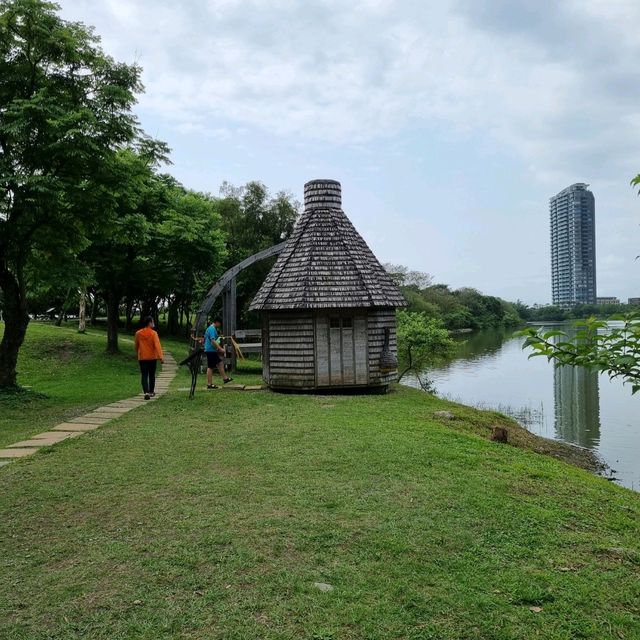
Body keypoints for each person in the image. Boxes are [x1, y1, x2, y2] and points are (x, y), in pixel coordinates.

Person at [134, 316, 164, 400]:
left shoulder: (138, 333)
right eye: (153, 322)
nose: (153, 323)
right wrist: (161, 357)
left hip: (142, 357)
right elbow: (157, 345)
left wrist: (138, 353)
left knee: (144, 375)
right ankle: (151, 391)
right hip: (152, 358)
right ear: (149, 323)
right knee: (151, 375)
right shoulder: (153, 333)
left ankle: (146, 392)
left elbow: (136, 345)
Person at [204, 317, 232, 389]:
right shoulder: (212, 329)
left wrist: (217, 348)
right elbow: (213, 341)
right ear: (217, 322)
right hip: (210, 350)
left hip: (212, 350)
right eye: (219, 323)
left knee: (220, 363)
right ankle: (209, 384)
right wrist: (220, 349)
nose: (220, 325)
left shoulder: (211, 329)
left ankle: (225, 378)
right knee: (210, 367)